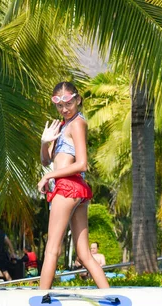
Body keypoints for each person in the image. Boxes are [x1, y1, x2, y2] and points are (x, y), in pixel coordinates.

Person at [38, 81, 110, 289]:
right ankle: (108, 295)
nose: (64, 109)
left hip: (68, 188)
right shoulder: (61, 126)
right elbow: (46, 160)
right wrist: (44, 143)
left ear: (77, 100)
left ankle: (41, 295)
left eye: (68, 103)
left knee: (52, 248)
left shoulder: (77, 123)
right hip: (74, 190)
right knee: (84, 253)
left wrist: (48, 176)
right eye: (59, 106)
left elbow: (81, 163)